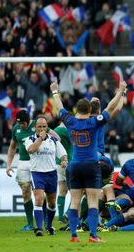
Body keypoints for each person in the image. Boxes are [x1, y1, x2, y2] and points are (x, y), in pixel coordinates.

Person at [50, 79, 127, 243]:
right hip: (91, 165)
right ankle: (93, 235)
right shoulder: (95, 122)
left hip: (75, 165)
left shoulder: (70, 121)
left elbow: (59, 107)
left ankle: (73, 236)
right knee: (93, 200)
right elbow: (111, 107)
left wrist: (55, 92)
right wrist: (120, 91)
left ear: (77, 109)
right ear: (90, 110)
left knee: (75, 201)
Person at [6, 110, 58, 231]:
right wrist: (9, 165)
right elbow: (12, 147)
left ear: (28, 122)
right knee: (25, 191)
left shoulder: (39, 125)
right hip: (23, 162)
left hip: (39, 162)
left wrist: (56, 152)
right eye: (18, 123)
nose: (20, 126)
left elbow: (56, 137)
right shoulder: (16, 129)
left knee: (41, 194)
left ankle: (45, 221)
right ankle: (30, 223)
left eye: (22, 124)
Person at [25, 117, 68, 236]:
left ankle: (48, 226)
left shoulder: (54, 140)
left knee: (52, 203)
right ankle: (39, 228)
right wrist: (40, 139)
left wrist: (64, 161)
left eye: (44, 126)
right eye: (39, 126)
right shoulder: (30, 139)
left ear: (47, 127)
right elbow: (31, 150)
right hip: (37, 173)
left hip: (51, 174)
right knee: (39, 199)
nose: (42, 129)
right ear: (35, 127)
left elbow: (63, 154)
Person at [54, 122, 73, 223]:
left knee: (62, 190)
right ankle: (68, 213)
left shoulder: (56, 130)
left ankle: (61, 217)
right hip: (68, 162)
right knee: (77, 191)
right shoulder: (67, 131)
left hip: (58, 163)